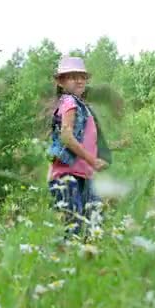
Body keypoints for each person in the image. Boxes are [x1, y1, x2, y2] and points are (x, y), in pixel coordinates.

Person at [46, 56, 110, 238]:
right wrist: (92, 160)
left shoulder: (83, 107)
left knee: (93, 226)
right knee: (74, 228)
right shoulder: (69, 102)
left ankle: (87, 264)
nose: (80, 80)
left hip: (84, 175)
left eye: (82, 76)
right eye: (73, 76)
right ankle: (67, 262)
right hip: (68, 177)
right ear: (61, 81)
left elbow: (86, 139)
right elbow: (66, 136)